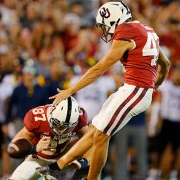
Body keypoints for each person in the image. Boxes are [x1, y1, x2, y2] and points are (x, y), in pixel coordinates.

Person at [37, 1, 171, 180]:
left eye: (105, 25)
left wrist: (70, 90)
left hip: (135, 90)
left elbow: (100, 68)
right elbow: (166, 64)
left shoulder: (126, 32)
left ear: (114, 19)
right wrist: (157, 83)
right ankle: (58, 166)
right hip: (133, 89)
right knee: (94, 130)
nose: (105, 30)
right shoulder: (147, 30)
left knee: (100, 136)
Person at [9, 96, 90, 179]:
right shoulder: (38, 119)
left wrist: (83, 162)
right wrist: (34, 148)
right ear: (51, 113)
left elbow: (91, 142)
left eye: (67, 127)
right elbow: (13, 148)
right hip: (38, 158)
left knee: (86, 141)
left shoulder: (80, 119)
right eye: (58, 124)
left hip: (63, 160)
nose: (61, 130)